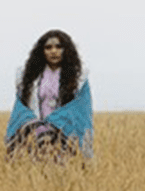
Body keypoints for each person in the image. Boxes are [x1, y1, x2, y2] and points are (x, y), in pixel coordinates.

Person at [5, 29, 93, 162]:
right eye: (48, 47)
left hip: (65, 134)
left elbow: (81, 108)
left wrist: (55, 123)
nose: (53, 51)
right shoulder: (28, 77)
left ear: (66, 50)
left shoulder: (79, 78)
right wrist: (33, 124)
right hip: (36, 136)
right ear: (41, 51)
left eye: (59, 47)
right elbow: (20, 106)